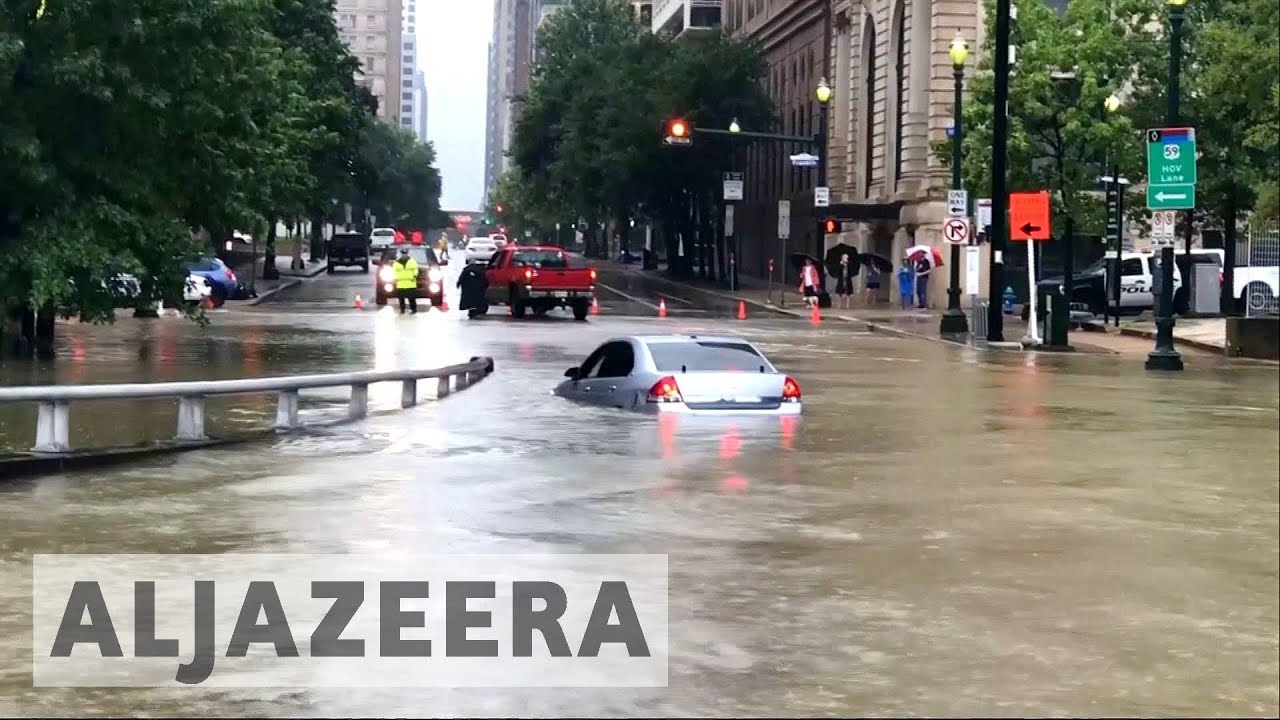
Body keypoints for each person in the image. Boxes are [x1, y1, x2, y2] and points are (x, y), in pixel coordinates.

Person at [392, 247, 419, 314]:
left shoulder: (412, 261)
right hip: (401, 284)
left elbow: (415, 270)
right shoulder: (396, 263)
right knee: (401, 299)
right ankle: (402, 309)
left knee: (411, 298)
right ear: (401, 254)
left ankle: (413, 309)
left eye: (405, 253)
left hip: (410, 283)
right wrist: (395, 278)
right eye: (403, 253)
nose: (404, 255)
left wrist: (415, 274)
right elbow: (393, 271)